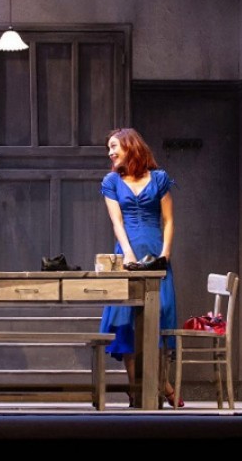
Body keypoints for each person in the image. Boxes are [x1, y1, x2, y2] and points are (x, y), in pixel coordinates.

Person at [97, 128, 180, 408]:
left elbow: (168, 220)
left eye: (113, 147)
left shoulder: (159, 178)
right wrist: (128, 254)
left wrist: (165, 254)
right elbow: (117, 222)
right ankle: (138, 390)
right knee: (127, 321)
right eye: (109, 148)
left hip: (155, 251)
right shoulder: (111, 182)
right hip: (127, 251)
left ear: (130, 146)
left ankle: (158, 385)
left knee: (159, 316)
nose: (110, 153)